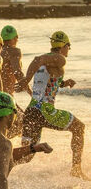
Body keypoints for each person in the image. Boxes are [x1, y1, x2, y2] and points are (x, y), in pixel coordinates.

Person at [18, 31, 88, 180]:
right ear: (64, 45)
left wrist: (63, 83)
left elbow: (48, 80)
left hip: (31, 111)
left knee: (25, 155)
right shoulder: (60, 59)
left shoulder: (50, 62)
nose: (69, 50)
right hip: (45, 111)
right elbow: (37, 59)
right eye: (69, 46)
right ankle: (76, 169)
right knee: (79, 127)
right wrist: (26, 79)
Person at [0, 25, 30, 138]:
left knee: (5, 126)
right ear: (16, 38)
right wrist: (31, 93)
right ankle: (2, 145)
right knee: (25, 121)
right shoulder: (14, 51)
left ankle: (2, 148)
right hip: (6, 98)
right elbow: (17, 72)